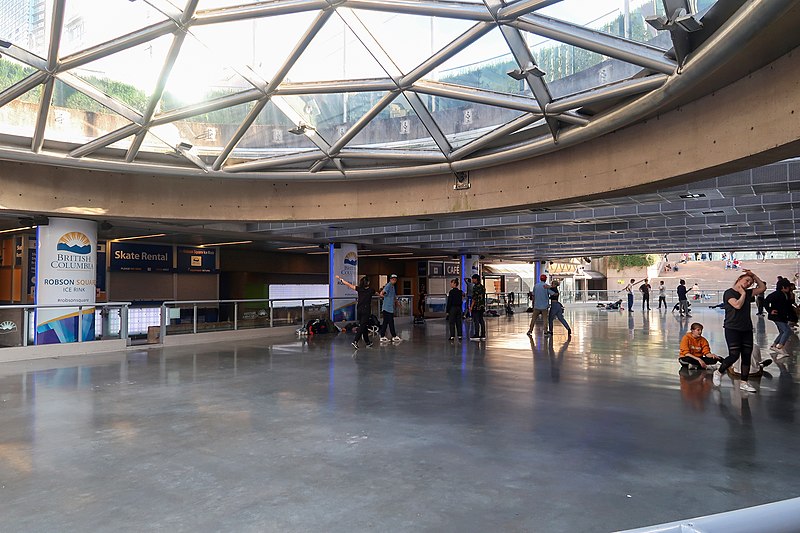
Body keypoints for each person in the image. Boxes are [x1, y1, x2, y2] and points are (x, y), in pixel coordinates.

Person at [711, 270, 767, 393]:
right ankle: (718, 372)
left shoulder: (748, 292)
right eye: (746, 280)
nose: (748, 283)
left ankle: (744, 382)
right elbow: (737, 305)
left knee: (746, 356)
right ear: (739, 279)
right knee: (734, 355)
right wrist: (742, 294)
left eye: (750, 283)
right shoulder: (729, 293)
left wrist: (754, 275)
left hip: (746, 328)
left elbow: (762, 288)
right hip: (732, 328)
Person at [336, 275, 375, 349]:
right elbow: (376, 293)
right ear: (368, 282)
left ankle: (367, 342)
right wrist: (382, 295)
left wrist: (341, 279)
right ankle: (355, 341)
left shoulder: (359, 289)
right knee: (362, 326)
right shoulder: (371, 290)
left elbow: (349, 285)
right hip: (366, 310)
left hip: (359, 309)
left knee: (364, 326)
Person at [765, 277, 796, 357]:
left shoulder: (786, 294)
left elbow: (788, 305)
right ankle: (780, 346)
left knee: (783, 331)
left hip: (783, 316)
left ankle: (774, 345)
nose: (789, 288)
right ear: (783, 287)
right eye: (788, 287)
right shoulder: (776, 294)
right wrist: (770, 310)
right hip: (777, 316)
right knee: (787, 331)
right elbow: (766, 301)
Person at [379, 274, 401, 343]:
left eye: (395, 279)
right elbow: (382, 293)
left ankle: (382, 336)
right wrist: (382, 295)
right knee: (391, 322)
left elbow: (394, 296)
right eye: (393, 279)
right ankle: (394, 336)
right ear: (390, 279)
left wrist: (397, 302)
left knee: (386, 322)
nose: (394, 280)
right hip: (387, 308)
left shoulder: (392, 287)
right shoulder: (388, 285)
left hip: (390, 307)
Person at [469, 274, 486, 341]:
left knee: (476, 320)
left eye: (473, 279)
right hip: (482, 306)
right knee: (481, 320)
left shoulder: (475, 287)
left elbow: (474, 299)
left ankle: (476, 335)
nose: (472, 280)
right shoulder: (482, 287)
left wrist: (471, 307)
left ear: (476, 279)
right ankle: (483, 335)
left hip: (476, 306)